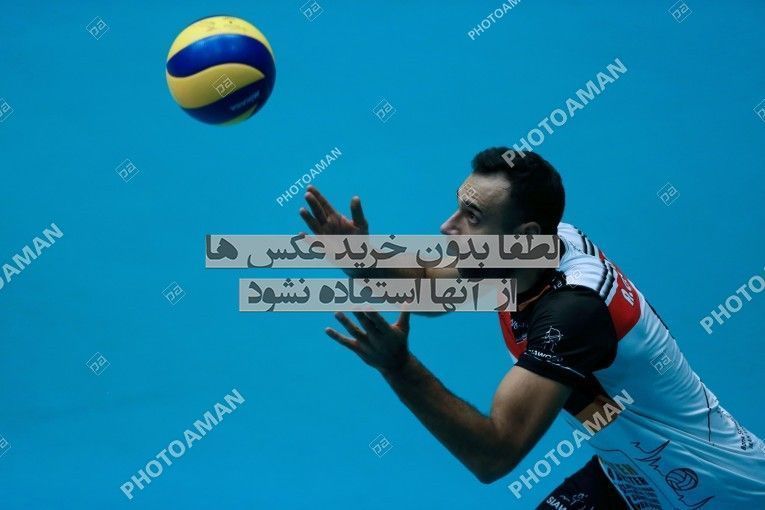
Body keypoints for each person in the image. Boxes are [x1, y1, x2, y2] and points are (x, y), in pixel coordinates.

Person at [298, 147, 765, 509]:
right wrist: (357, 257)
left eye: (471, 217)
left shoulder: (575, 311)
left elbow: (494, 453)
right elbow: (429, 289)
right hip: (633, 479)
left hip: (725, 494)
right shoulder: (527, 252)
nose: (447, 227)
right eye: (458, 208)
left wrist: (398, 367)